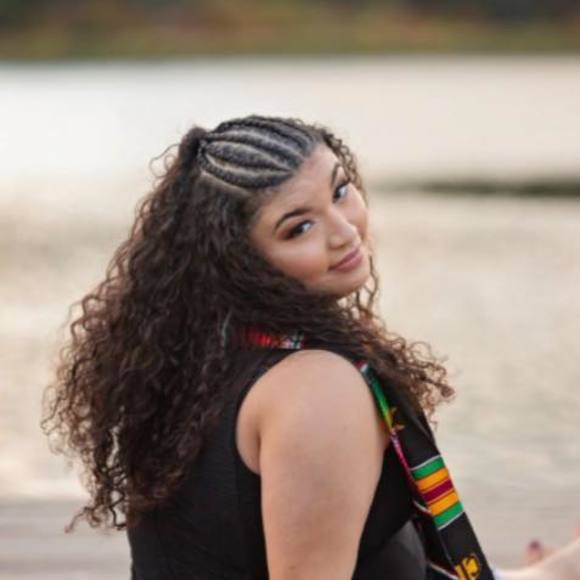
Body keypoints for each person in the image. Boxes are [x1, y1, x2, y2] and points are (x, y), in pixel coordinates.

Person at [41, 114, 580, 579]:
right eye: (299, 228)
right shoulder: (316, 389)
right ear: (239, 258)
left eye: (340, 190)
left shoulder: (195, 359)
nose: (344, 231)